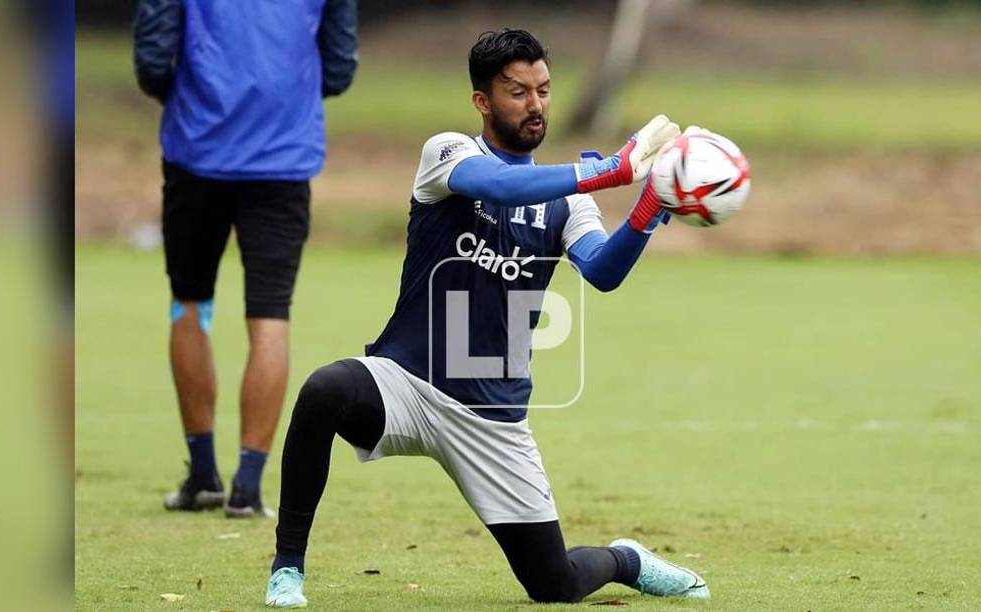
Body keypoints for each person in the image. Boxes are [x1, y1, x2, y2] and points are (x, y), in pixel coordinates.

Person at [264, 29, 710, 607]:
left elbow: (602, 271)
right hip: (407, 384)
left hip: (492, 416)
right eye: (517, 92)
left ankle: (628, 559)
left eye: (544, 90)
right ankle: (287, 570)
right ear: (483, 101)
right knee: (325, 389)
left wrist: (647, 210)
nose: (535, 105)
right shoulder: (448, 154)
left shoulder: (569, 200)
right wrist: (606, 171)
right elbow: (498, 186)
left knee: (556, 586)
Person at [132, 0, 358, 518]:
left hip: (197, 153)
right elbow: (341, 66)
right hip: (283, 158)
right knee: (271, 316)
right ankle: (248, 487)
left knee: (189, 305)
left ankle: (203, 475)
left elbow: (151, 59)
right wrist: (286, 99)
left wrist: (190, 98)